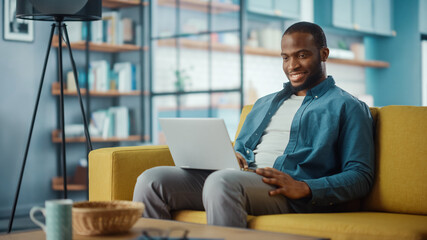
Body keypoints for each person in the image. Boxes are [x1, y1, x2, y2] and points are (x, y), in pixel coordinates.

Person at [133, 21, 375, 228]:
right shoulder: (264, 103)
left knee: (221, 183)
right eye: (286, 57)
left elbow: (361, 176)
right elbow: (240, 148)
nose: (292, 66)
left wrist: (306, 187)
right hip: (241, 179)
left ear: (324, 54)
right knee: (151, 180)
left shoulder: (348, 106)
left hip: (288, 191)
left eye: (302, 55)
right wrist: (235, 155)